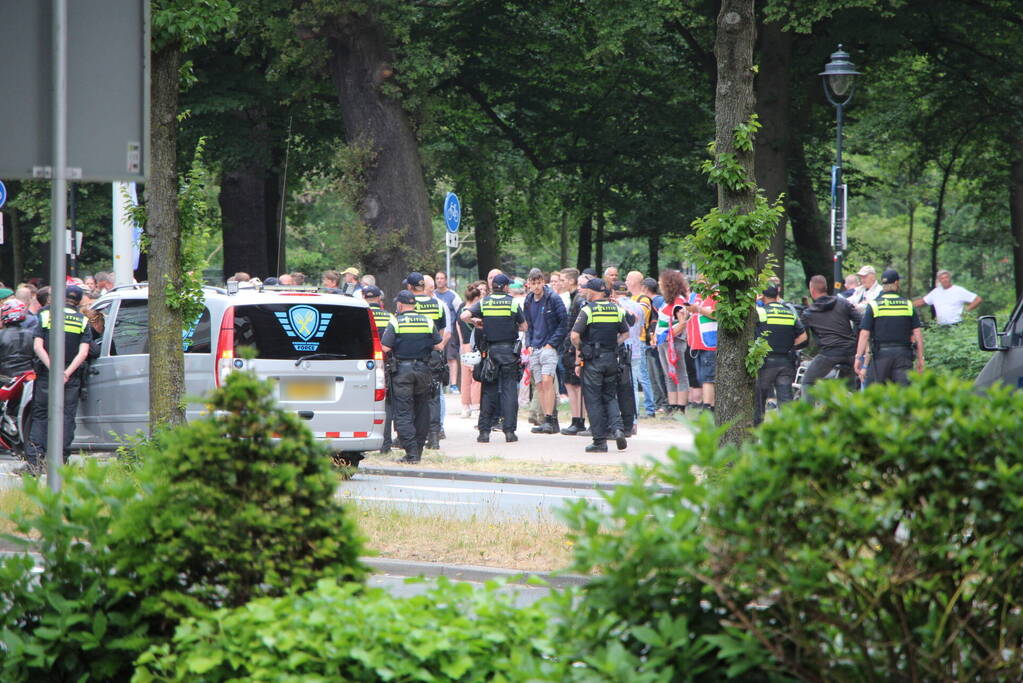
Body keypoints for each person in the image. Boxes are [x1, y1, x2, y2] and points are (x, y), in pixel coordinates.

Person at [25, 285, 93, 473]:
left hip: (47, 376)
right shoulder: (82, 321)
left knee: (40, 416)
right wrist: (66, 373)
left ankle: (35, 462)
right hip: (70, 378)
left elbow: (38, 347)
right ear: (78, 301)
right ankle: (59, 462)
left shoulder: (46, 315)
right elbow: (84, 352)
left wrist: (54, 370)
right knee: (66, 418)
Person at [461, 274, 526, 443]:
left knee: (488, 392)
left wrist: (477, 322)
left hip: (490, 353)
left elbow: (464, 316)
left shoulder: (484, 302)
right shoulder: (512, 302)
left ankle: (484, 432)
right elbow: (524, 326)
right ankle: (509, 432)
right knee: (509, 392)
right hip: (509, 353)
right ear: (505, 287)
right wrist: (511, 325)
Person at [380, 290, 443, 463]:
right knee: (422, 410)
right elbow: (439, 345)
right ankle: (419, 451)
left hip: (402, 372)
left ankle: (411, 453)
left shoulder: (396, 321)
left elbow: (385, 347)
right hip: (423, 370)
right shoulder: (427, 321)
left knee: (403, 412)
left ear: (400, 305)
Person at [571, 277, 629, 453]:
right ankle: (618, 429)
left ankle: (599, 441)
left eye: (587, 290)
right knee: (610, 396)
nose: (585, 292)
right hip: (611, 359)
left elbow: (574, 336)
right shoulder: (616, 309)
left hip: (593, 361)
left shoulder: (588, 310)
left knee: (593, 399)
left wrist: (583, 349)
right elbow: (625, 334)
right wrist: (612, 345)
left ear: (593, 291)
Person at [855, 269, 924, 385]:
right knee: (903, 392)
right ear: (896, 283)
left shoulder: (874, 305)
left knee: (879, 392)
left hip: (881, 357)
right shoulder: (907, 304)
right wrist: (920, 358)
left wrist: (858, 357)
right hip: (903, 356)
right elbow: (917, 333)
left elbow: (864, 334)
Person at [800, 274, 863, 396]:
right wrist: (854, 340)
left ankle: (808, 408)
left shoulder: (809, 313)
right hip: (850, 352)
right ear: (826, 288)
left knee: (807, 382)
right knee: (850, 389)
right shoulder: (843, 303)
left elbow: (802, 337)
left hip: (829, 354)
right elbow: (861, 322)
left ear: (812, 290)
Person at [754, 285, 807, 425]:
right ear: (777, 296)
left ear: (763, 296)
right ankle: (788, 432)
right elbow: (803, 337)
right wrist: (790, 346)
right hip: (786, 362)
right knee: (786, 401)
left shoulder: (760, 312)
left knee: (759, 402)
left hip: (765, 363)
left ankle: (756, 433)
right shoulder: (789, 313)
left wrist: (755, 301)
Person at [523, 268, 567, 434]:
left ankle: (550, 418)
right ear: (529, 284)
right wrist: (529, 344)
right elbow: (528, 325)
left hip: (548, 346)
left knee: (548, 381)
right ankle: (546, 420)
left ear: (543, 282)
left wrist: (552, 344)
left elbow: (563, 323)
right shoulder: (528, 300)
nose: (536, 286)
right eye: (533, 283)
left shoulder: (553, 298)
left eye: (539, 282)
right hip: (535, 346)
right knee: (540, 384)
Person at [364, 286, 396, 453]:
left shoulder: (360, 314)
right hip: (384, 365)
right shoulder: (389, 316)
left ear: (364, 297)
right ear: (379, 298)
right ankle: (385, 444)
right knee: (385, 404)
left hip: (362, 365)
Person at [655, 270, 690, 415]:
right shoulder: (668, 301)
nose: (659, 283)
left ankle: (680, 408)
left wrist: (668, 336)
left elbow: (683, 323)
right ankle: (673, 406)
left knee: (680, 374)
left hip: (673, 342)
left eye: (661, 281)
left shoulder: (678, 302)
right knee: (669, 375)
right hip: (664, 342)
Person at [559, 268, 589, 435]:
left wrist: (574, 348)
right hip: (570, 345)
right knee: (571, 384)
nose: (560, 283)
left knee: (575, 385)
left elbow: (577, 327)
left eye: (563, 279)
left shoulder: (578, 299)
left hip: (573, 346)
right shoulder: (573, 298)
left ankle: (578, 420)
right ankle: (577, 419)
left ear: (571, 281)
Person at [611, 282, 642, 435]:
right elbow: (640, 327)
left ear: (613, 291)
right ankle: (634, 422)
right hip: (635, 348)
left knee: (619, 388)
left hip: (621, 349)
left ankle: (621, 421)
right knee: (633, 387)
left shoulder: (615, 306)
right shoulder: (638, 306)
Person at [686, 278, 717, 412]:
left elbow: (717, 314)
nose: (700, 282)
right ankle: (709, 405)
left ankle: (708, 407)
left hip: (710, 342)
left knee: (708, 378)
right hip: (696, 343)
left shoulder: (716, 295)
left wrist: (698, 309)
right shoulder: (695, 296)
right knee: (701, 377)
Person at [456, 282, 484, 418]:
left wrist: (461, 346)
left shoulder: (460, 310)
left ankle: (465, 406)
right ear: (476, 298)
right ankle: (476, 406)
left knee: (465, 379)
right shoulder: (474, 313)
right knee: (476, 378)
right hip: (475, 346)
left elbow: (458, 330)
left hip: (464, 345)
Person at [913, 269, 982, 325]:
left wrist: (966, 311)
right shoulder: (935, 292)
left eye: (946, 277)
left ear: (950, 278)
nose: (945, 280)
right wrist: (907, 304)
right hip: (941, 326)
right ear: (939, 280)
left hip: (957, 324)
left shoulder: (958, 290)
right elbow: (922, 302)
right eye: (942, 278)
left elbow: (978, 299)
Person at [434, 271, 463, 392]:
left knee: (451, 358)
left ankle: (453, 385)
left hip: (449, 332)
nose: (439, 280)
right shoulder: (432, 295)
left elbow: (460, 313)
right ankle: (438, 383)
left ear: (446, 280)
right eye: (437, 278)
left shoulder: (453, 296)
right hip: (436, 332)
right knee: (437, 357)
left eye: (442, 278)